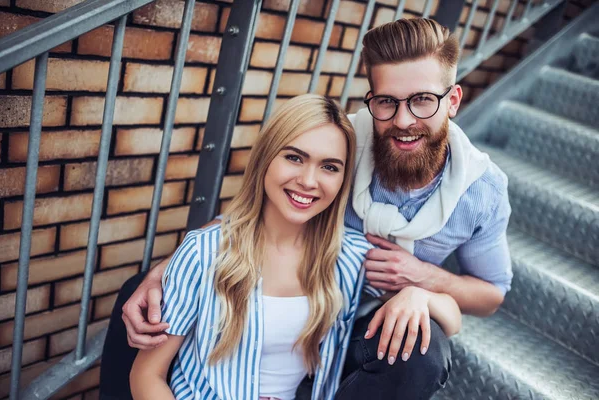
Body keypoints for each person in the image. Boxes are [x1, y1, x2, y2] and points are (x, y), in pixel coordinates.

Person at [112, 17, 512, 399]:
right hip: (297, 291)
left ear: (453, 99)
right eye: (388, 102)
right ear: (371, 100)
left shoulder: (482, 191)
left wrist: (423, 286)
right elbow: (262, 208)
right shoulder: (343, 141)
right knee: (144, 297)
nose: (404, 120)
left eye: (423, 100)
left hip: (350, 310)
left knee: (423, 351)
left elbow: (490, 294)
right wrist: (166, 270)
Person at [124, 94, 461, 400]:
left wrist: (419, 296)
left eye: (329, 167)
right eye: (295, 158)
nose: (309, 181)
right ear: (266, 159)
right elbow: (147, 375)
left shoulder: (348, 256)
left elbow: (451, 319)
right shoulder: (204, 252)